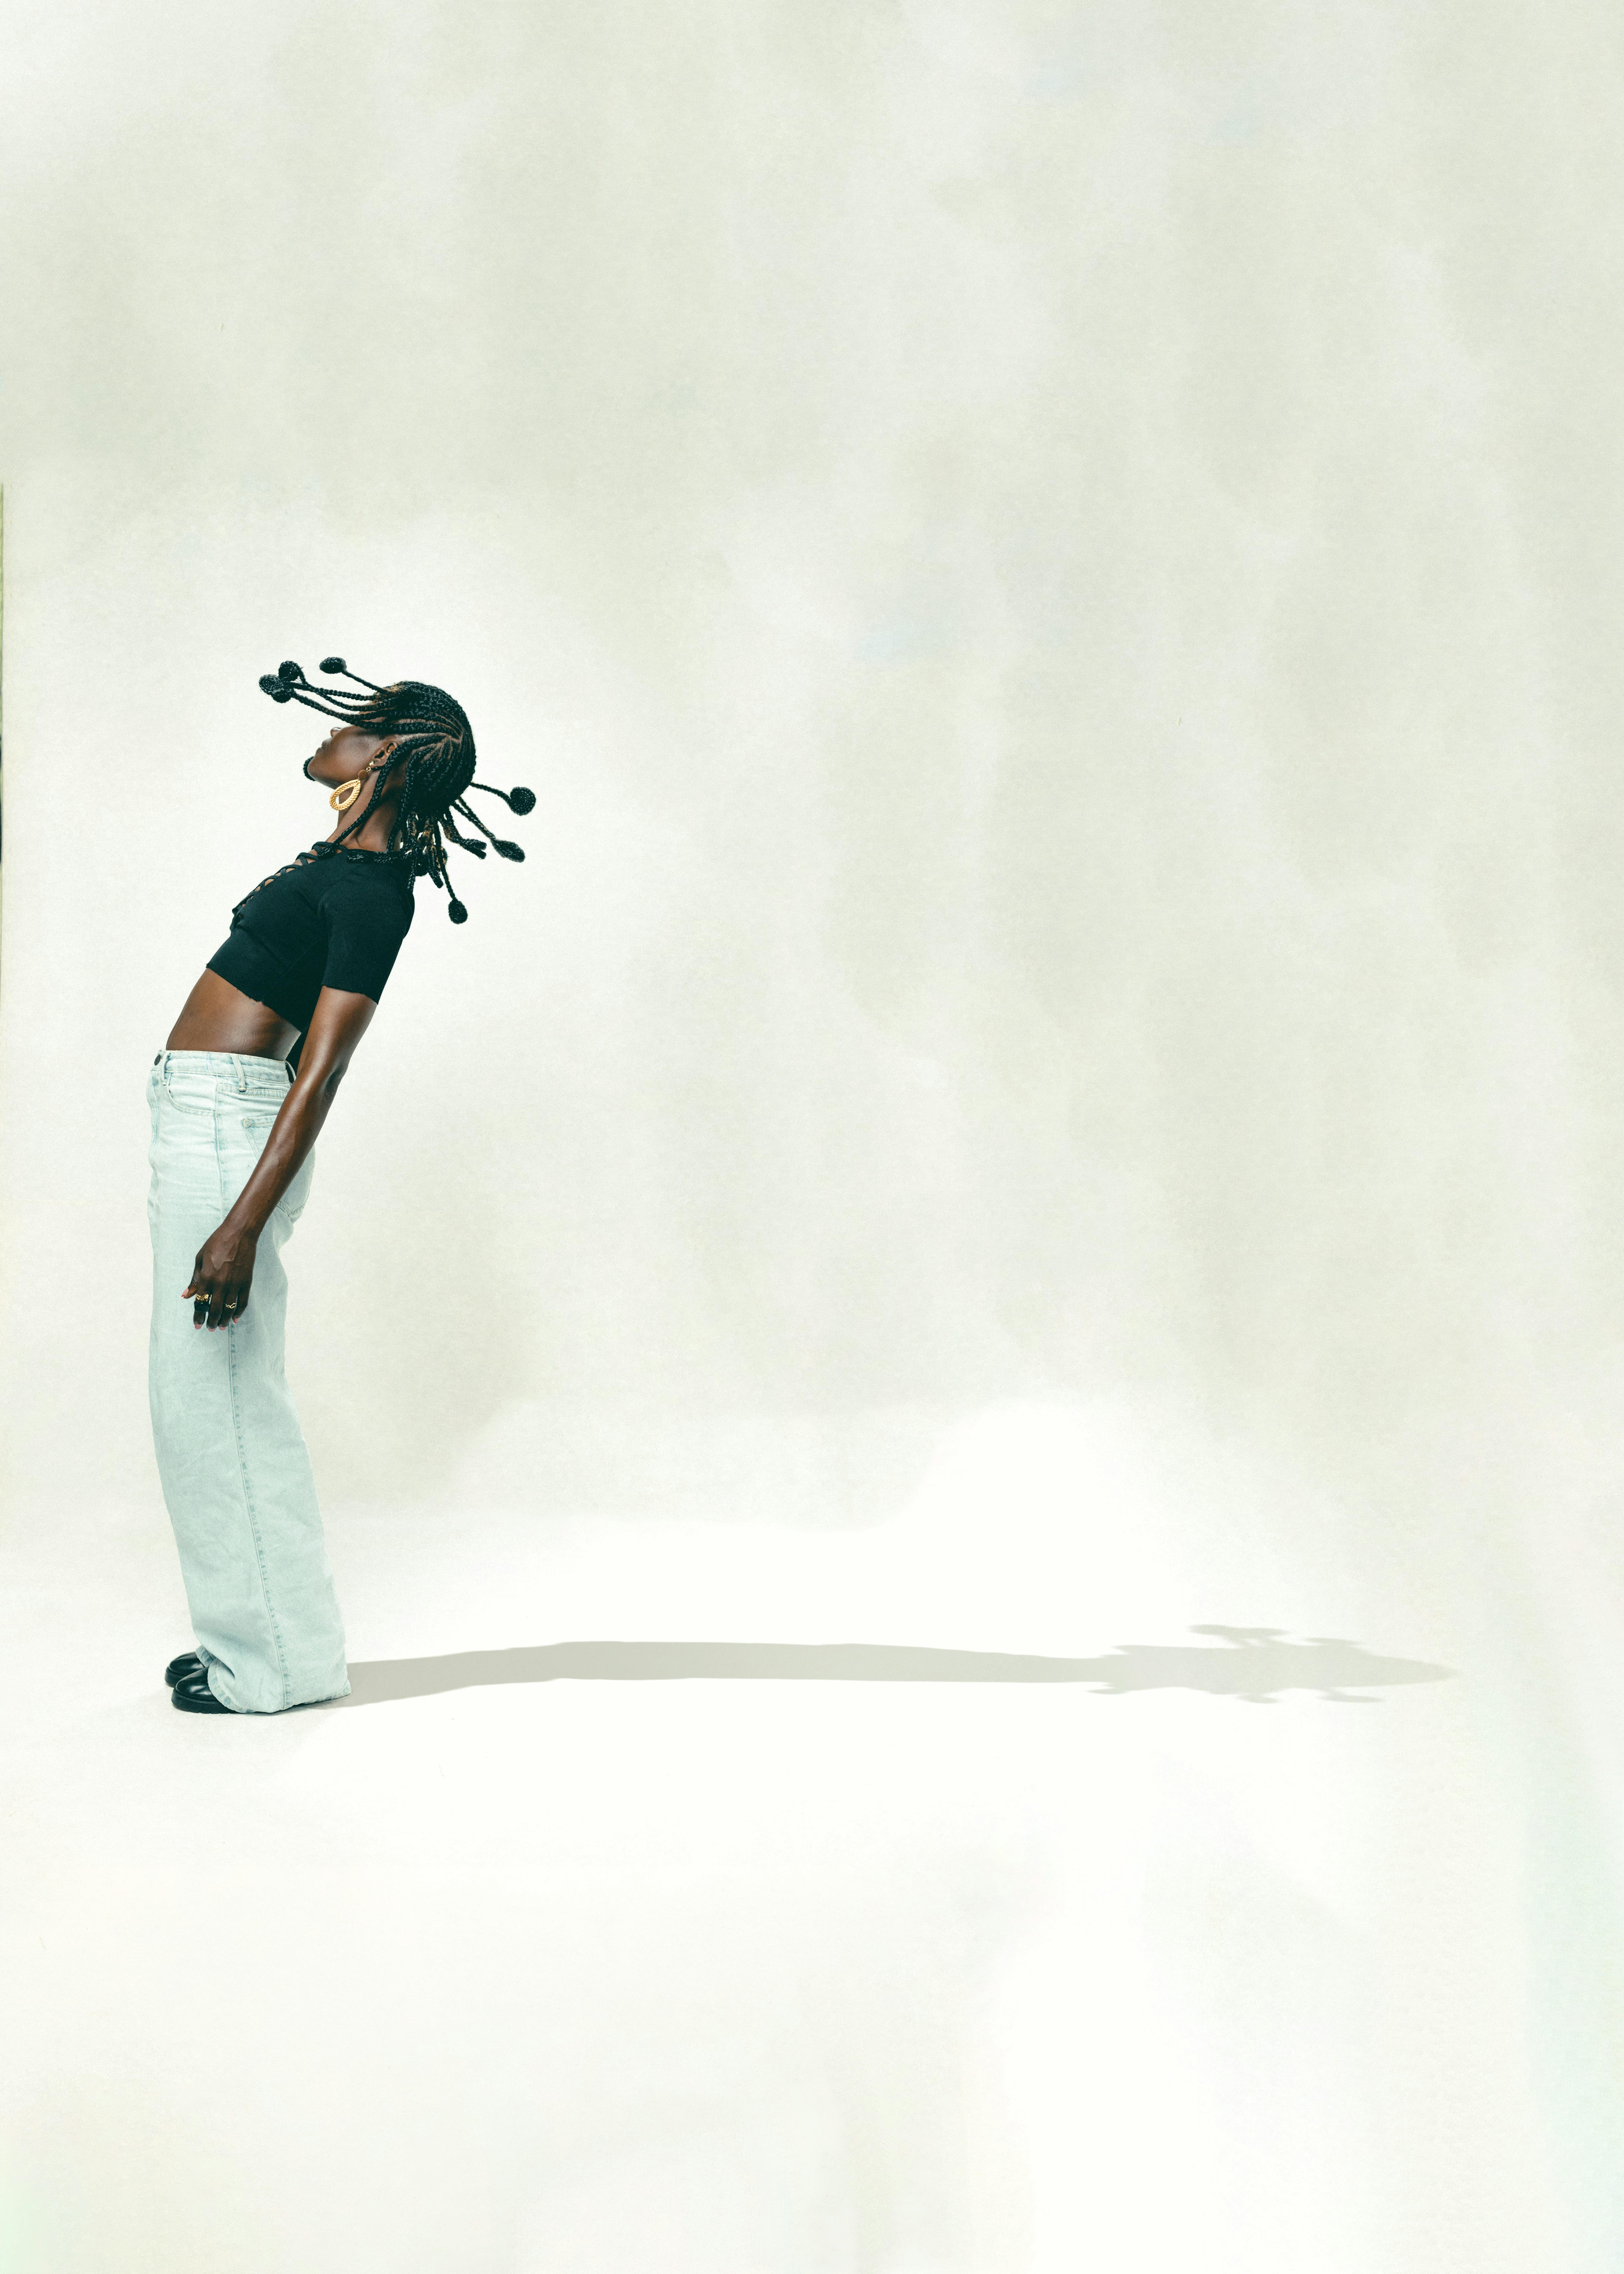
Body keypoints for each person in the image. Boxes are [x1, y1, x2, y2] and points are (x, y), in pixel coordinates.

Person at [148, 658, 533, 1715]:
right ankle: (271, 1647)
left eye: (355, 727)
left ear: (391, 757)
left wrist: (240, 1228)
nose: (330, 737)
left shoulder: (373, 893)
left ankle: (270, 1666)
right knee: (202, 1395)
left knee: (217, 1399)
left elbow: (319, 1072)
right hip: (207, 1120)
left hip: (231, 1135)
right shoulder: (343, 867)